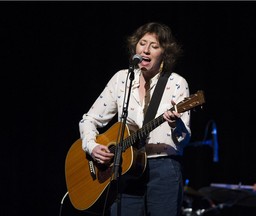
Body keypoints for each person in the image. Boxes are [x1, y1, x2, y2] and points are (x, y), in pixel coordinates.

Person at [79, 22, 191, 216]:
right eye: (142, 43)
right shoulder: (122, 79)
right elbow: (89, 119)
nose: (146, 50)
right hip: (125, 169)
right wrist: (92, 146)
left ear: (164, 53)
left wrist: (175, 123)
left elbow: (184, 138)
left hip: (163, 168)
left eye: (154, 46)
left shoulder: (176, 83)